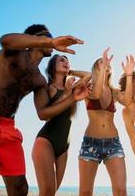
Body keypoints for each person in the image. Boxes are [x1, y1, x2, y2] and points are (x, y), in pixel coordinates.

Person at [0, 24, 88, 196]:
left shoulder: (39, 79)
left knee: (20, 188)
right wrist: (51, 41)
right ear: (35, 38)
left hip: (7, 128)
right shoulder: (13, 52)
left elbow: (43, 113)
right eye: (47, 37)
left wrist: (72, 98)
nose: (51, 41)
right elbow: (5, 40)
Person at [78, 48, 135, 196]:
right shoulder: (88, 87)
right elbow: (96, 95)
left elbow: (127, 101)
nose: (106, 65)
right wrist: (103, 70)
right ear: (96, 69)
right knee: (85, 192)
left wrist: (129, 75)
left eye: (107, 64)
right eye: (101, 63)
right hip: (90, 144)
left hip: (113, 144)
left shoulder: (114, 91)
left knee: (121, 191)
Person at [32, 54, 91, 196]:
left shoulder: (72, 87)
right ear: (53, 67)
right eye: (61, 60)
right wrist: (66, 94)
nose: (66, 62)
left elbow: (89, 75)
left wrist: (70, 72)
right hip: (46, 141)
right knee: (47, 191)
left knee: (53, 190)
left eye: (67, 61)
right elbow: (46, 114)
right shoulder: (50, 87)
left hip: (64, 146)